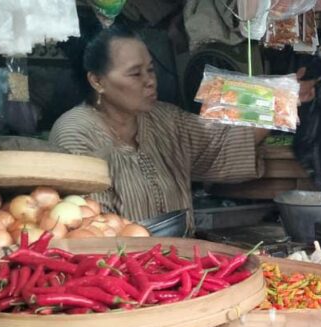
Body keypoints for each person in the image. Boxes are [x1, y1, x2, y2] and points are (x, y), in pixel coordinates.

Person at [50, 26, 269, 226]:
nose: (150, 81)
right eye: (136, 73)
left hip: (179, 260)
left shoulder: (165, 119)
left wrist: (279, 102)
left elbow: (219, 142)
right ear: (97, 81)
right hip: (116, 263)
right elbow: (91, 224)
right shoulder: (74, 132)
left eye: (151, 70)